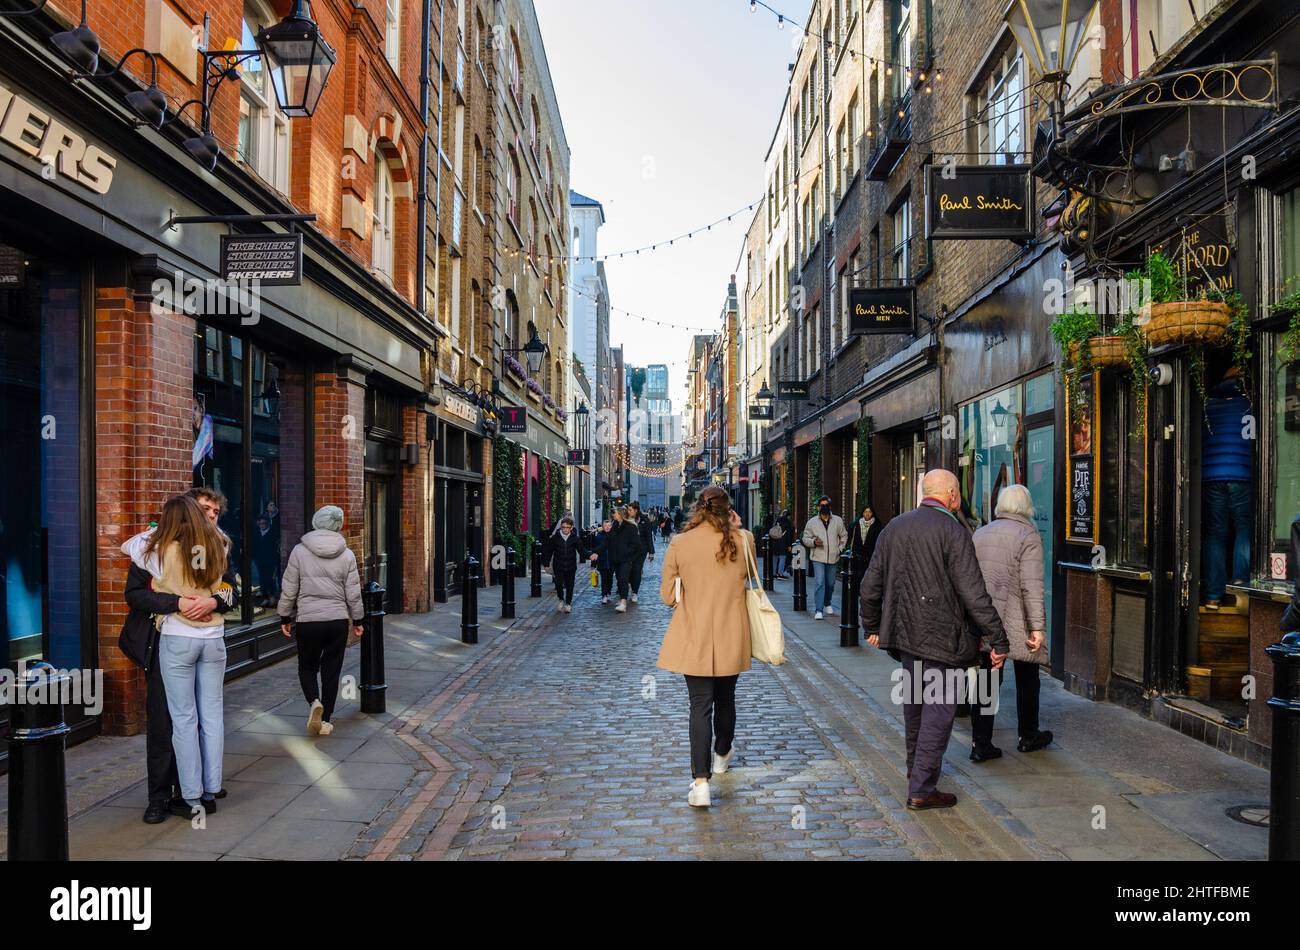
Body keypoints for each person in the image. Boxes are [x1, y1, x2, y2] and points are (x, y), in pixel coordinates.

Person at [860, 469, 1010, 810]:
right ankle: (922, 788)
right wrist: (998, 640)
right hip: (944, 641)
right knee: (939, 714)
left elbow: (869, 586)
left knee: (915, 711)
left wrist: (871, 625)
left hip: (907, 641)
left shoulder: (894, 527)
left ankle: (917, 775)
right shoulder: (954, 531)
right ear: (953, 495)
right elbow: (974, 594)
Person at [120, 489, 237, 824]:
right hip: (160, 643)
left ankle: (199, 789)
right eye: (205, 509)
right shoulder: (155, 545)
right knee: (163, 722)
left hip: (189, 638)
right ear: (188, 510)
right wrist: (178, 603)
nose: (211, 515)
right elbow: (135, 596)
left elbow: (230, 588)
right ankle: (160, 796)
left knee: (194, 718)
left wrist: (214, 601)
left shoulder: (217, 544)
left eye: (216, 510)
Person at [657, 486, 755, 808]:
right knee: (726, 698)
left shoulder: (680, 543)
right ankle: (722, 754)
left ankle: (700, 784)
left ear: (698, 508)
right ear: (728, 510)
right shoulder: (743, 540)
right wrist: (738, 529)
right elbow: (754, 577)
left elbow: (668, 597)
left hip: (695, 636)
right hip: (732, 635)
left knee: (700, 706)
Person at [970, 485, 1053, 760]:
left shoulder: (980, 533)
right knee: (1028, 679)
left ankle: (980, 744)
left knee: (987, 678)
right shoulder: (1027, 535)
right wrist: (1038, 628)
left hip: (986, 619)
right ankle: (1028, 735)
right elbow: (1031, 586)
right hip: (1019, 621)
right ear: (1027, 507)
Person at [278, 505, 365, 737]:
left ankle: (314, 702)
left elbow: (289, 588)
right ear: (338, 525)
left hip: (309, 620)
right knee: (332, 670)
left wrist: (285, 615)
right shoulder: (347, 554)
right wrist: (358, 619)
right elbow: (353, 593)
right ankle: (325, 720)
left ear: (317, 521)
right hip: (337, 620)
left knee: (307, 666)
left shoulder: (299, 551)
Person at [1202, 365, 1253, 609]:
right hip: (1242, 475)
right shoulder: (1251, 403)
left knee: (1216, 534)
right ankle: (1241, 587)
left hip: (1212, 477)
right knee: (1244, 529)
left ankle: (1213, 596)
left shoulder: (1209, 405)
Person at [801, 495, 849, 620]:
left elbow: (844, 536)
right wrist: (813, 542)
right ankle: (819, 609)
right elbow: (805, 538)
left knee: (831, 583)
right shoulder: (812, 522)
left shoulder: (837, 521)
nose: (824, 508)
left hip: (833, 557)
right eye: (822, 505)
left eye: (826, 505)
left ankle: (827, 602)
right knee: (820, 581)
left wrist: (839, 549)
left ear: (830, 507)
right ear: (818, 507)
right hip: (818, 557)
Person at [545, 516, 590, 613]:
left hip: (571, 566)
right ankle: (561, 599)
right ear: (561, 527)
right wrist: (546, 563)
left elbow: (582, 551)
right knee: (558, 584)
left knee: (570, 585)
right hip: (558, 565)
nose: (565, 529)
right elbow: (549, 551)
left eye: (567, 527)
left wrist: (591, 555)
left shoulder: (575, 538)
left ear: (571, 527)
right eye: (563, 527)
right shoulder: (555, 538)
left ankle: (568, 604)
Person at [608, 506, 641, 613]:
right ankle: (622, 598)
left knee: (623, 579)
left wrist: (628, 554)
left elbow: (636, 545)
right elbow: (608, 540)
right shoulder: (615, 525)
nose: (613, 515)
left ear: (620, 514)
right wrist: (596, 552)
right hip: (616, 559)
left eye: (615, 513)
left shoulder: (631, 527)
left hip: (626, 559)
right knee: (619, 580)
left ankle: (623, 602)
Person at [850, 503, 885, 597]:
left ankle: (867, 592)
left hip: (871, 554)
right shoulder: (856, 524)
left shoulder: (877, 525)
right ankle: (857, 592)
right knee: (858, 574)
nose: (867, 514)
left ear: (872, 513)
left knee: (869, 575)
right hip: (858, 554)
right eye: (865, 511)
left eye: (869, 512)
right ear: (862, 513)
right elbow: (851, 537)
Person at [625, 500, 656, 602]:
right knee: (629, 570)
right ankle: (630, 584)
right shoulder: (626, 520)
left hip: (641, 550)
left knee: (637, 570)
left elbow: (649, 537)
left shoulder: (644, 520)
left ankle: (635, 593)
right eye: (628, 510)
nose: (628, 512)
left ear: (636, 510)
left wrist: (651, 552)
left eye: (630, 510)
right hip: (629, 550)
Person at [589, 519, 617, 604]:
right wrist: (593, 564)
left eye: (609, 526)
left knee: (610, 580)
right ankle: (604, 595)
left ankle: (608, 593)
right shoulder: (599, 537)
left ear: (611, 526)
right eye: (605, 526)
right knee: (604, 579)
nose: (607, 527)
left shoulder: (614, 536)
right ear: (602, 527)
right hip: (602, 562)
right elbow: (595, 551)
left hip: (612, 562)